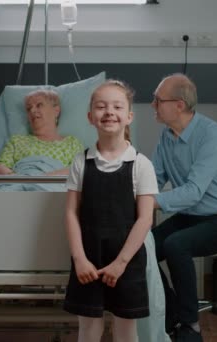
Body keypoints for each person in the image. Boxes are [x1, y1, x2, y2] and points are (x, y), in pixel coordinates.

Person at [150, 74, 217, 342]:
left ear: (179, 105)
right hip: (192, 217)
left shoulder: (211, 134)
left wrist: (149, 201)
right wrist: (135, 193)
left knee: (176, 245)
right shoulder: (166, 136)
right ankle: (170, 317)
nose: (152, 105)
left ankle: (191, 325)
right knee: (141, 245)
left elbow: (193, 192)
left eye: (158, 100)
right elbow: (154, 180)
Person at [63, 80, 158, 342]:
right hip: (88, 258)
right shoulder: (81, 162)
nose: (109, 112)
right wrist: (79, 259)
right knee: (89, 328)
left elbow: (145, 219)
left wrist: (121, 263)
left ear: (129, 117)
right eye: (101, 106)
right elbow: (71, 213)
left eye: (117, 106)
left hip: (127, 260)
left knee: (126, 330)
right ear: (90, 116)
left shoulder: (141, 164)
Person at [0, 89, 84, 176]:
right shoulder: (17, 141)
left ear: (56, 110)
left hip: (54, 188)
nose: (32, 110)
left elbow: (80, 169)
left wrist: (45, 179)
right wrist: (18, 179)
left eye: (39, 105)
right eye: (28, 109)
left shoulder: (71, 143)